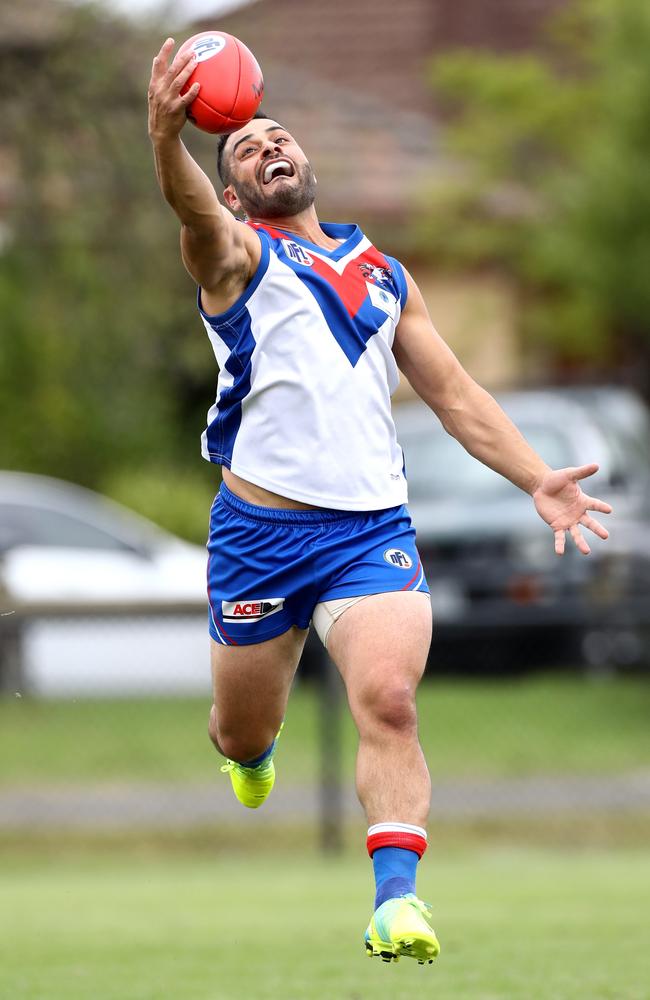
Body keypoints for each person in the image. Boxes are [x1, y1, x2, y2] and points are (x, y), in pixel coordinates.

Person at [147, 38, 612, 966]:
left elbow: (457, 397)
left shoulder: (385, 275)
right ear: (233, 192)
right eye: (246, 148)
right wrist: (168, 141)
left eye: (278, 136)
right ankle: (247, 753)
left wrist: (537, 479)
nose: (268, 146)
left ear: (308, 163)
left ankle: (397, 902)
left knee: (391, 701)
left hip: (369, 531)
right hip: (258, 538)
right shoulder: (236, 257)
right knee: (244, 727)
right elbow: (192, 211)